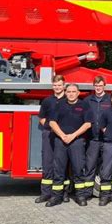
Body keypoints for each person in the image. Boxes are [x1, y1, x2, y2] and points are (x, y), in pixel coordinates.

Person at [46, 84, 93, 207]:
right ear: (65, 92)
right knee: (58, 170)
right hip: (60, 141)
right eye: (69, 91)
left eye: (74, 91)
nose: (71, 94)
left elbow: (88, 124)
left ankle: (80, 196)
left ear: (78, 93)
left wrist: (73, 135)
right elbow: (52, 122)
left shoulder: (84, 105)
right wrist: (62, 135)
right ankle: (56, 196)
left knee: (78, 169)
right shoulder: (59, 105)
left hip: (77, 141)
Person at [35, 75, 68, 204]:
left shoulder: (69, 99)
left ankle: (63, 193)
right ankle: (45, 193)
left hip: (63, 136)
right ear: (52, 86)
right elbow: (42, 118)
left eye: (59, 85)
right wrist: (51, 128)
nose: (57, 87)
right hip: (49, 134)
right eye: (55, 85)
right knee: (47, 163)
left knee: (63, 164)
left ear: (64, 85)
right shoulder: (47, 101)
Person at [83, 76, 112, 200]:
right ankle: (87, 193)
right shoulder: (87, 100)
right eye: (96, 85)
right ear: (93, 86)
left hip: (107, 140)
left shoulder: (110, 100)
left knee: (106, 167)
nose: (98, 88)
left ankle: (105, 194)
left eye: (100, 85)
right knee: (90, 166)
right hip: (92, 139)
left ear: (104, 85)